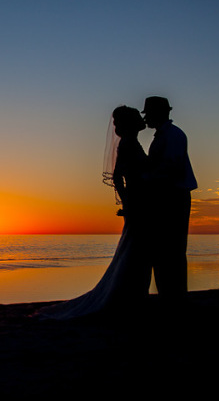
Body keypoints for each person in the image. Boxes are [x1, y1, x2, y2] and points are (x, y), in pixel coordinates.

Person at [35, 106, 152, 319]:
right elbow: (118, 177)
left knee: (135, 252)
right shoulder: (128, 144)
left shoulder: (131, 143)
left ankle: (132, 298)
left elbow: (121, 176)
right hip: (138, 205)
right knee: (136, 252)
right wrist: (128, 203)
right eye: (137, 117)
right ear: (131, 123)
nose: (142, 119)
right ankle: (129, 299)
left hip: (140, 203)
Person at [142, 96, 197, 300]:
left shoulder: (173, 135)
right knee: (165, 249)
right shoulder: (165, 135)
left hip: (173, 196)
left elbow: (169, 168)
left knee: (171, 248)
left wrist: (145, 178)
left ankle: (174, 294)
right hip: (168, 195)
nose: (146, 118)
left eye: (148, 114)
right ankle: (171, 293)